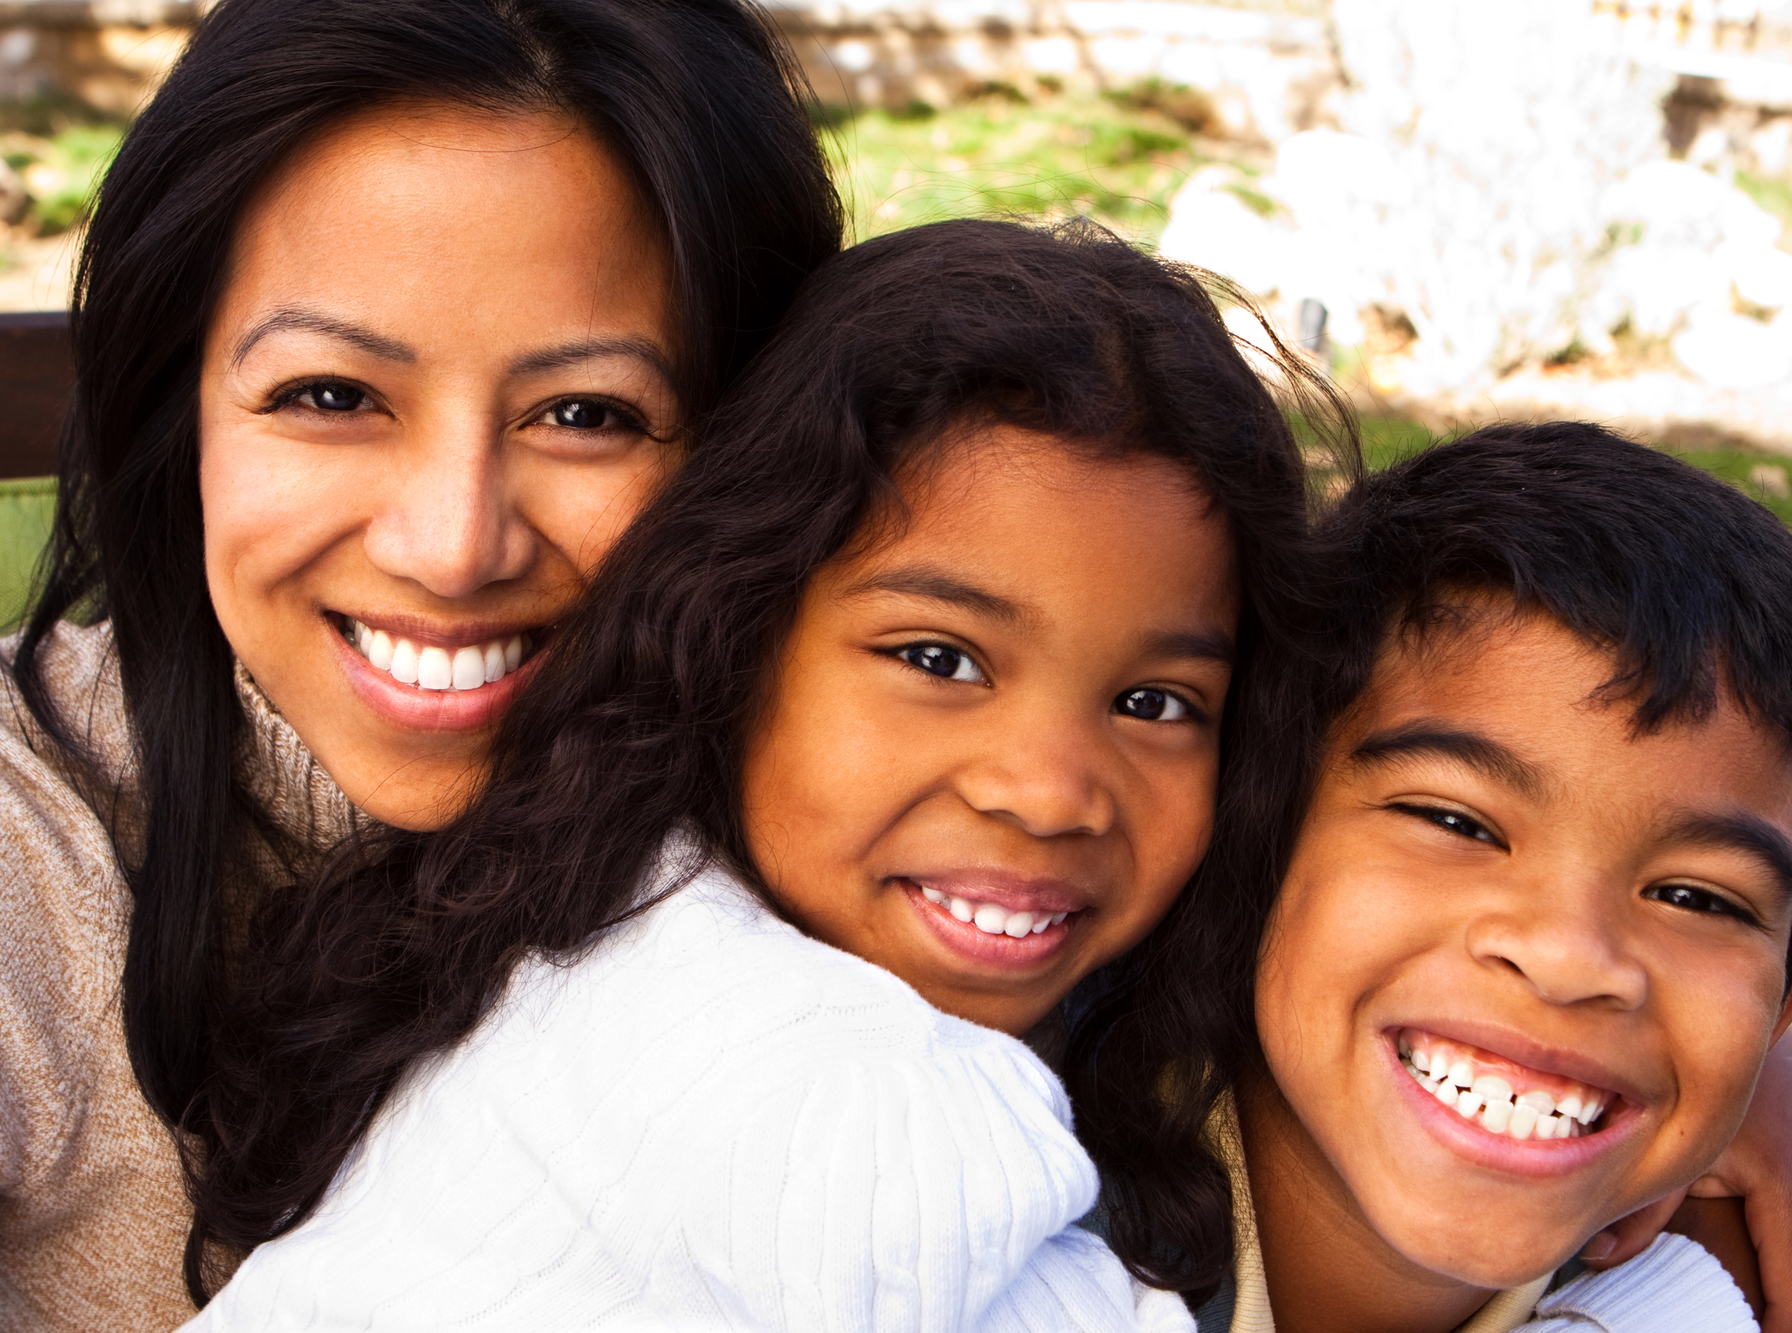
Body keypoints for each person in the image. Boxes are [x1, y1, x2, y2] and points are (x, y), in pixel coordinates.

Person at [173, 217, 1334, 1329]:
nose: (1046, 791)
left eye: (1153, 703)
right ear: (732, 639)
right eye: (937, 658)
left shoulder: (585, 914)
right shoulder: (841, 1086)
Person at [0, 0, 840, 1325]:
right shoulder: (11, 840)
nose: (450, 545)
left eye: (586, 415)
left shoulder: (882, 779)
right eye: (331, 395)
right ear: (178, 407)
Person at [1075, 423, 1792, 1333]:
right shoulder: (990, 1215)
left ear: (1786, 1002)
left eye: (1697, 897)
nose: (1568, 957)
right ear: (1256, 836)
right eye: (1456, 821)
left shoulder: (1780, 1301)